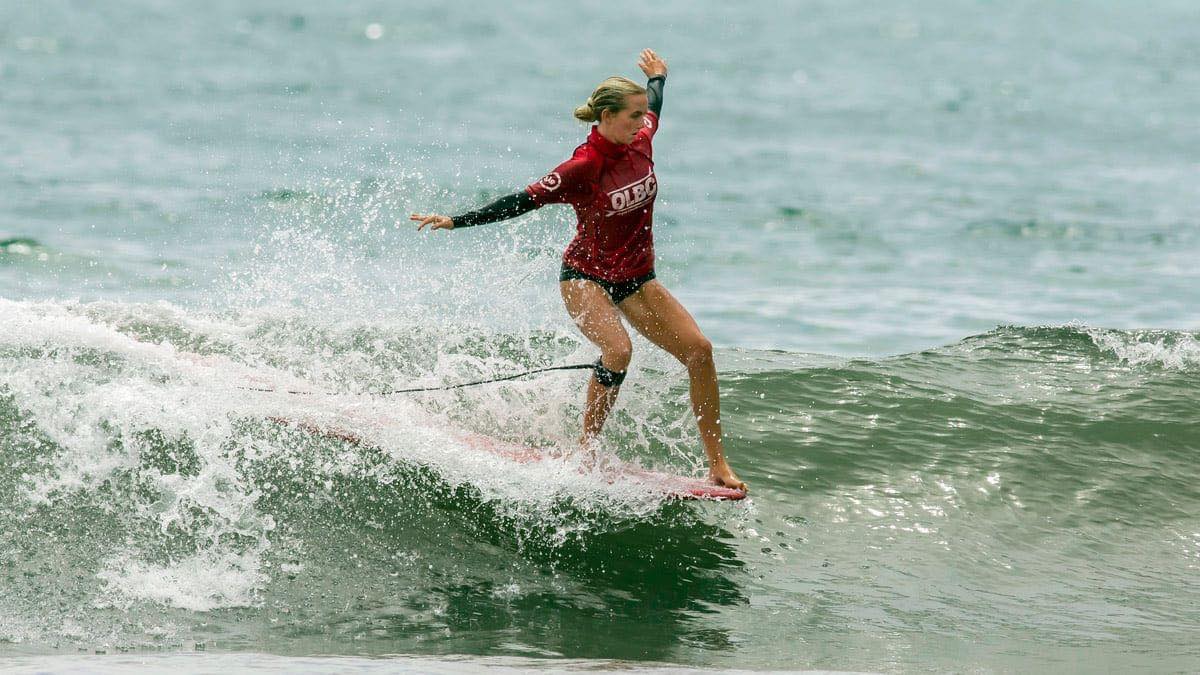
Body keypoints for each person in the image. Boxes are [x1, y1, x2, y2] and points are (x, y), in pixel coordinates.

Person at [410, 49, 745, 491]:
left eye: (643, 115)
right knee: (618, 350)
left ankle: (717, 464)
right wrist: (457, 220)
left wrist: (658, 77)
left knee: (700, 351)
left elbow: (655, 105)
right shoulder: (583, 166)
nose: (642, 121)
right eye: (632, 116)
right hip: (585, 276)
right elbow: (520, 201)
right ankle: (585, 451)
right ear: (607, 116)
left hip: (637, 279)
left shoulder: (640, 138)